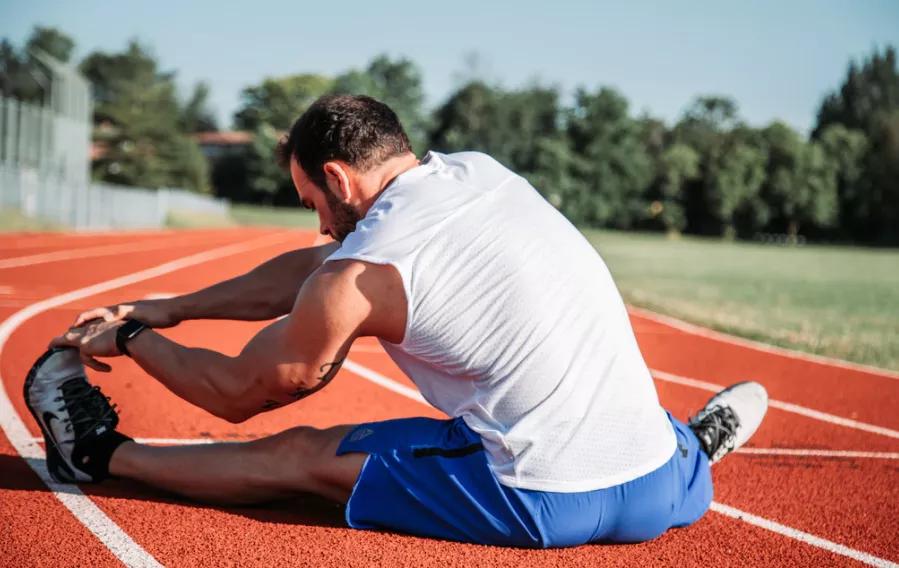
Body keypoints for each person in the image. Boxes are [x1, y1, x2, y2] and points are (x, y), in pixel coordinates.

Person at [26, 94, 768, 548]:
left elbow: (237, 391)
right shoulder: (478, 172)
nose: (316, 223)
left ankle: (97, 457)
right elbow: (319, 268)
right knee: (601, 390)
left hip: (538, 496)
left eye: (311, 201)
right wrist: (173, 307)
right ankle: (692, 449)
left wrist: (131, 336)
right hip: (654, 490)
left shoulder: (357, 275)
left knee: (299, 456)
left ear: (339, 180)